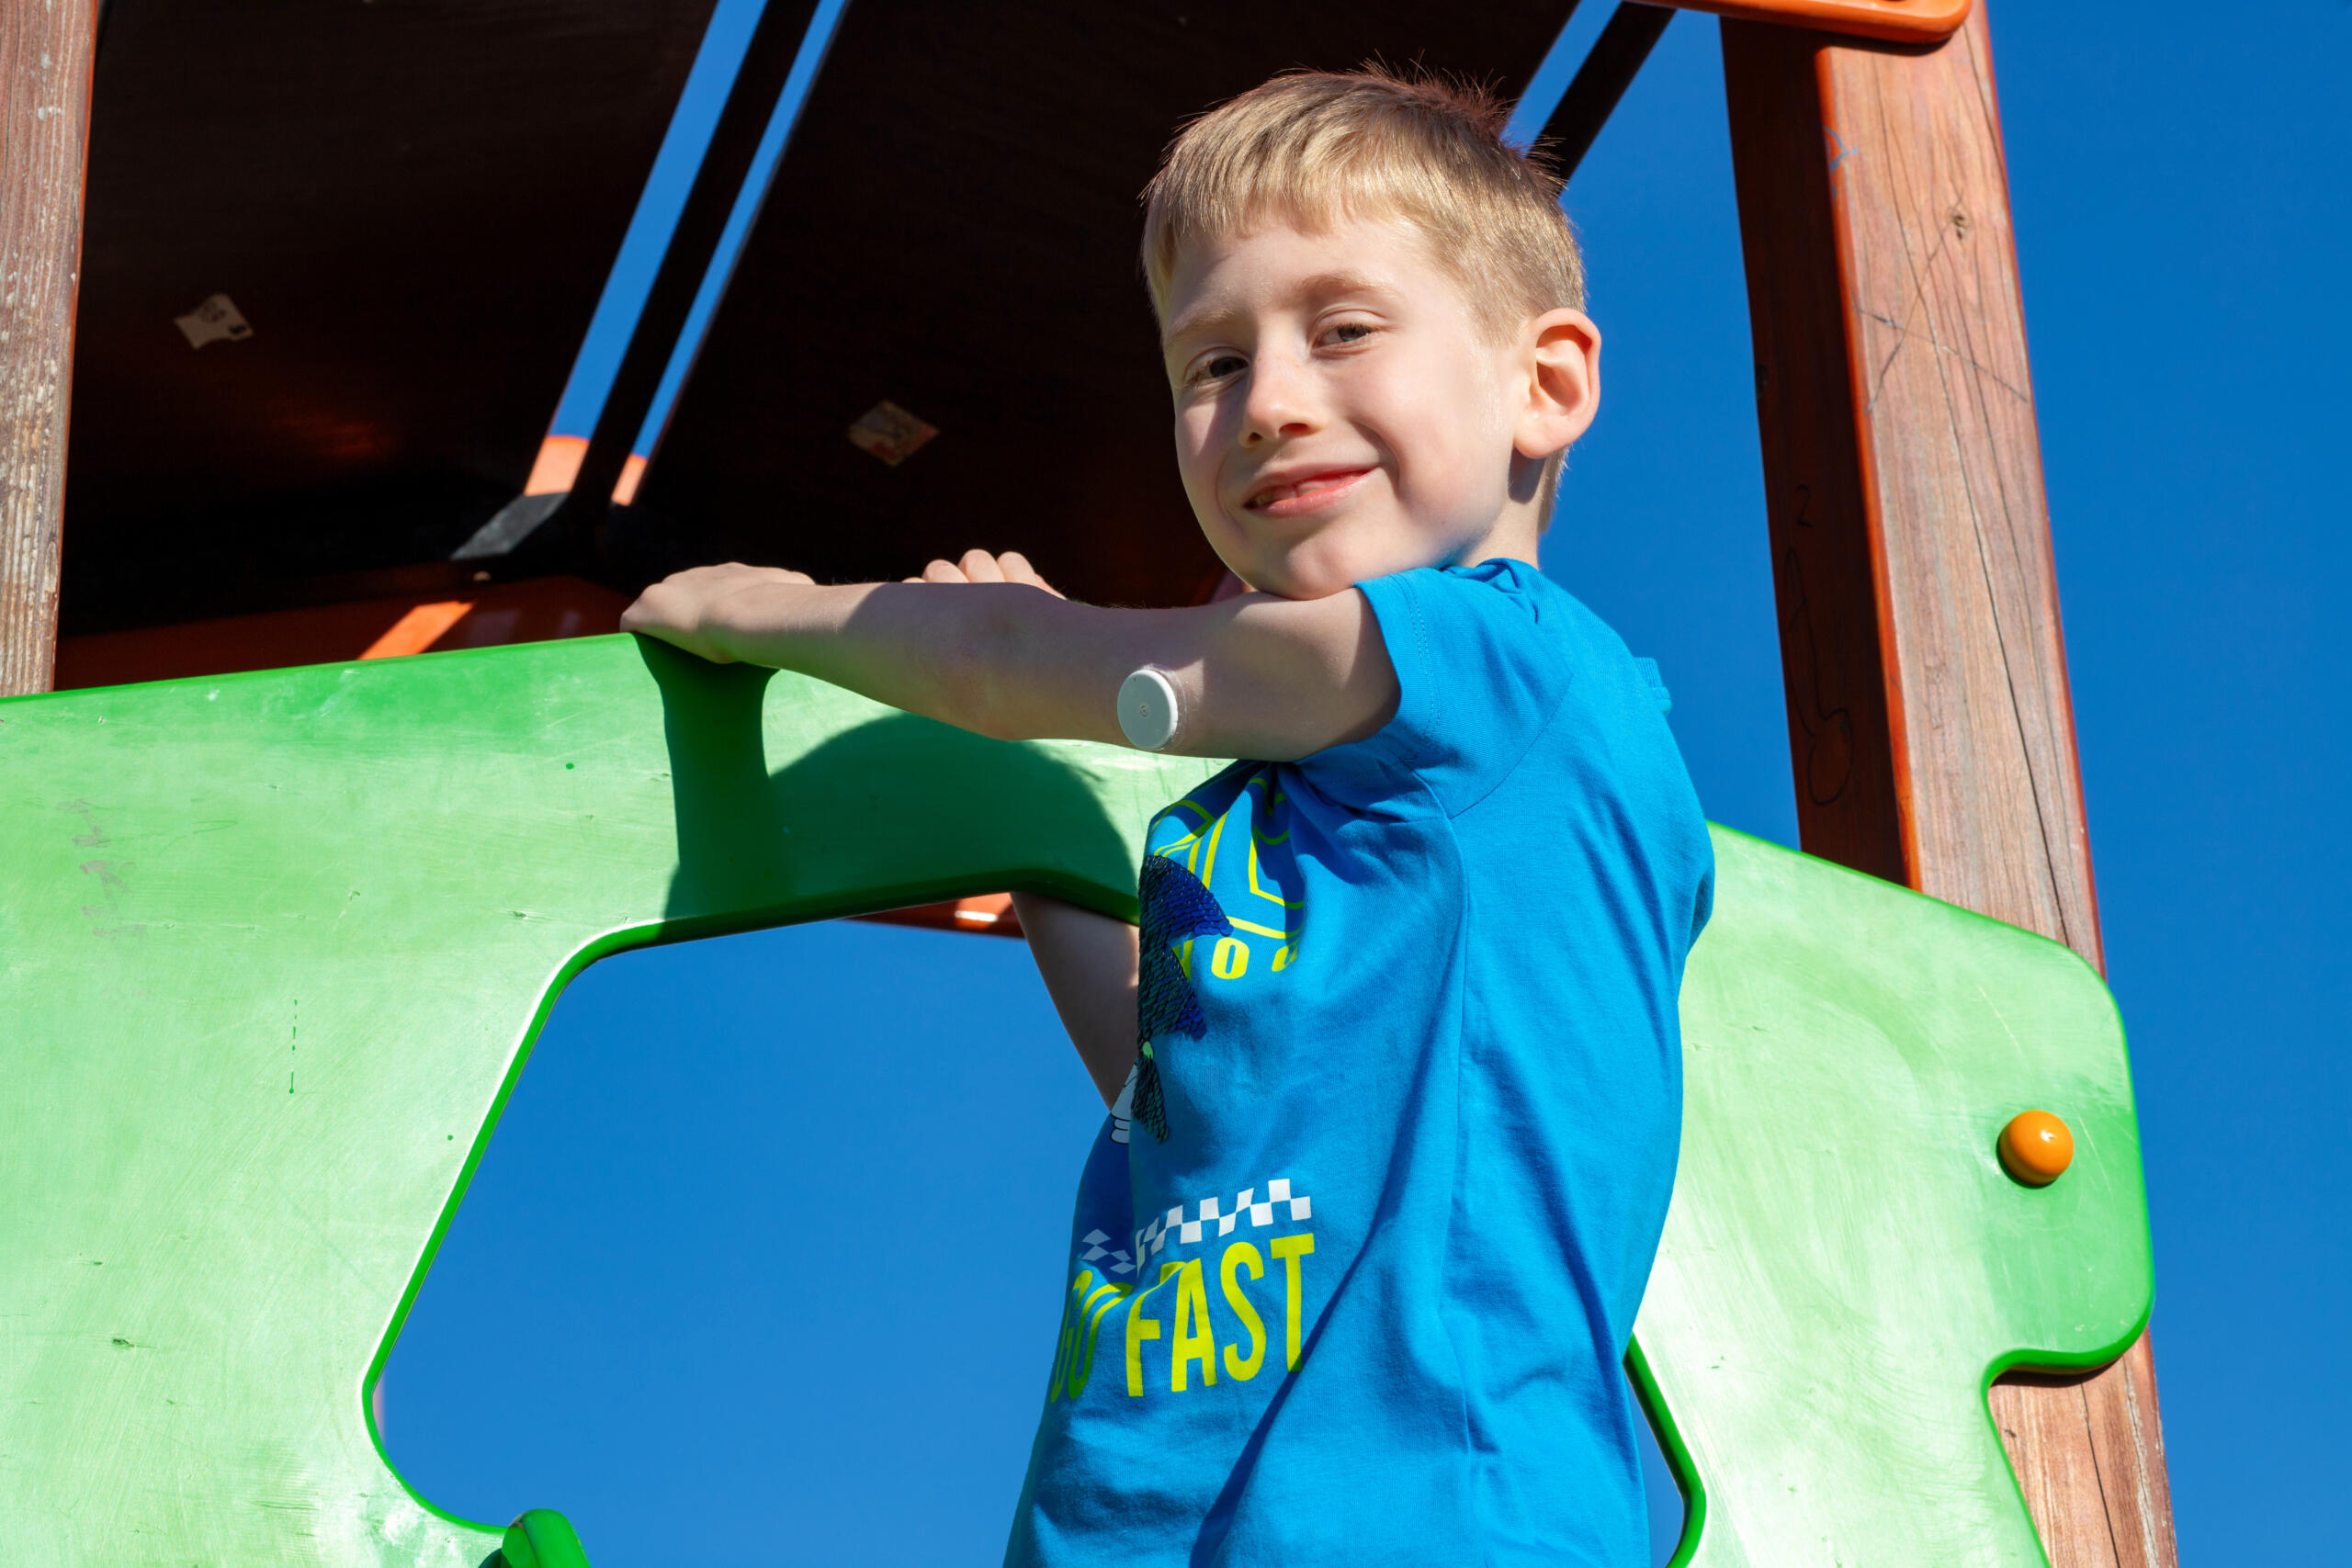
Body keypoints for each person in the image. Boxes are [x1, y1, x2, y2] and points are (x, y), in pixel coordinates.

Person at [623, 65, 1713, 1567]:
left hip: (1421, 1519)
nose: (1269, 403)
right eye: (1211, 365)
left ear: (1546, 384)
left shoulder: (1510, 670)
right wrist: (1043, 835)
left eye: (1344, 328)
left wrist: (751, 607)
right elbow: (1189, 1101)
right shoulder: (1286, 816)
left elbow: (1001, 660)